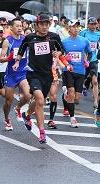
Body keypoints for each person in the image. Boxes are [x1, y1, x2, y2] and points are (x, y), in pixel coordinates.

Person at [15, 13, 65, 144]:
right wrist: (17, 62)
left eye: (47, 24)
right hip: (33, 74)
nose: (44, 27)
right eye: (42, 24)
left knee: (38, 101)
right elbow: (21, 50)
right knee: (41, 100)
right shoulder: (30, 38)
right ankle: (42, 132)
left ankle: (27, 115)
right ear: (37, 25)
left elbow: (62, 50)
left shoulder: (54, 37)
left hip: (47, 74)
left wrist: (57, 53)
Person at [0, 18, 30, 130]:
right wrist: (9, 58)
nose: (19, 28)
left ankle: (18, 108)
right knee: (8, 101)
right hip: (11, 74)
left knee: (27, 95)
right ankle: (7, 118)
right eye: (17, 26)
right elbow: (0, 58)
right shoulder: (8, 41)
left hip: (23, 73)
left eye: (21, 26)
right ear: (11, 28)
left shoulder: (26, 39)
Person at [62, 20, 92, 127]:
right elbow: (59, 56)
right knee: (71, 93)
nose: (76, 29)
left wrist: (87, 61)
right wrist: (65, 58)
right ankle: (72, 118)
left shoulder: (84, 41)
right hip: (68, 70)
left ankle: (66, 96)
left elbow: (90, 52)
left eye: (77, 27)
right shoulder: (64, 41)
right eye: (73, 27)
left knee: (77, 98)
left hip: (80, 71)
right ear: (69, 28)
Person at [79, 17, 100, 109]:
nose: (93, 26)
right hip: (84, 60)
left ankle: (96, 101)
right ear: (88, 24)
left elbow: (99, 45)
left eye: (94, 24)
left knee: (95, 81)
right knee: (81, 80)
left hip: (94, 60)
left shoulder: (98, 34)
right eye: (91, 24)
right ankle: (80, 89)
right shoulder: (83, 33)